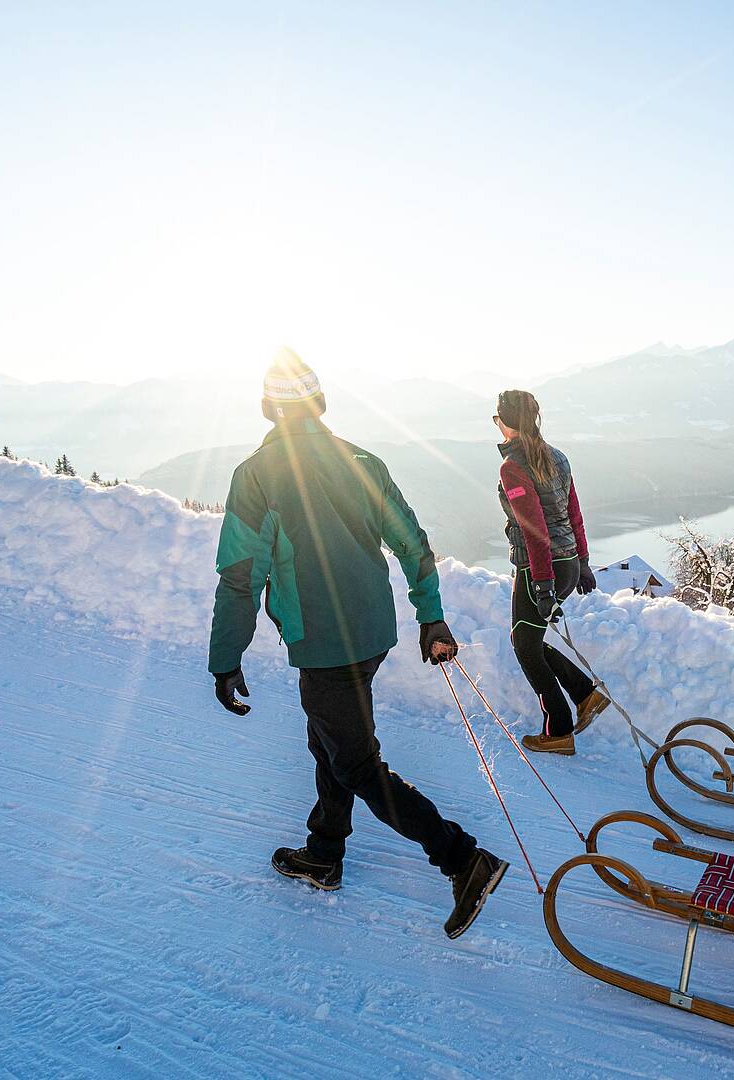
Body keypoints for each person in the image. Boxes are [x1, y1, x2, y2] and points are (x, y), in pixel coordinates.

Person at [208, 348, 507, 939]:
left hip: (323, 640)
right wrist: (431, 617)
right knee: (330, 739)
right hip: (371, 632)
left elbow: (240, 577)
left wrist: (225, 658)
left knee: (356, 763)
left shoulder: (256, 476)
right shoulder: (363, 463)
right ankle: (324, 850)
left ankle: (461, 858)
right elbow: (412, 544)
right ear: (319, 403)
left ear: (269, 408)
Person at [492, 389, 611, 756]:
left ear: (507, 422)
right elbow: (573, 514)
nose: (496, 425)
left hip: (539, 568)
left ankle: (558, 730)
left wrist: (541, 585)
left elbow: (533, 528)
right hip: (568, 564)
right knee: (530, 642)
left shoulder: (513, 466)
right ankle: (584, 695)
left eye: (497, 419)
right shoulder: (557, 458)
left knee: (524, 647)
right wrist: (584, 562)